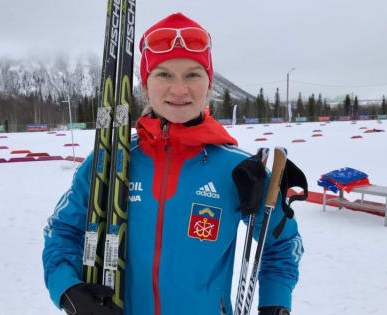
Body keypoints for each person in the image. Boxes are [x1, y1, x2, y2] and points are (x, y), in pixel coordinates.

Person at [43, 12, 303, 315]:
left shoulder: (240, 171)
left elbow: (283, 245)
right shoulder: (109, 161)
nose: (179, 90)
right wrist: (67, 288)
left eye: (193, 74)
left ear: (209, 85)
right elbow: (63, 232)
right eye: (164, 75)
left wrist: (276, 303)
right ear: (145, 84)